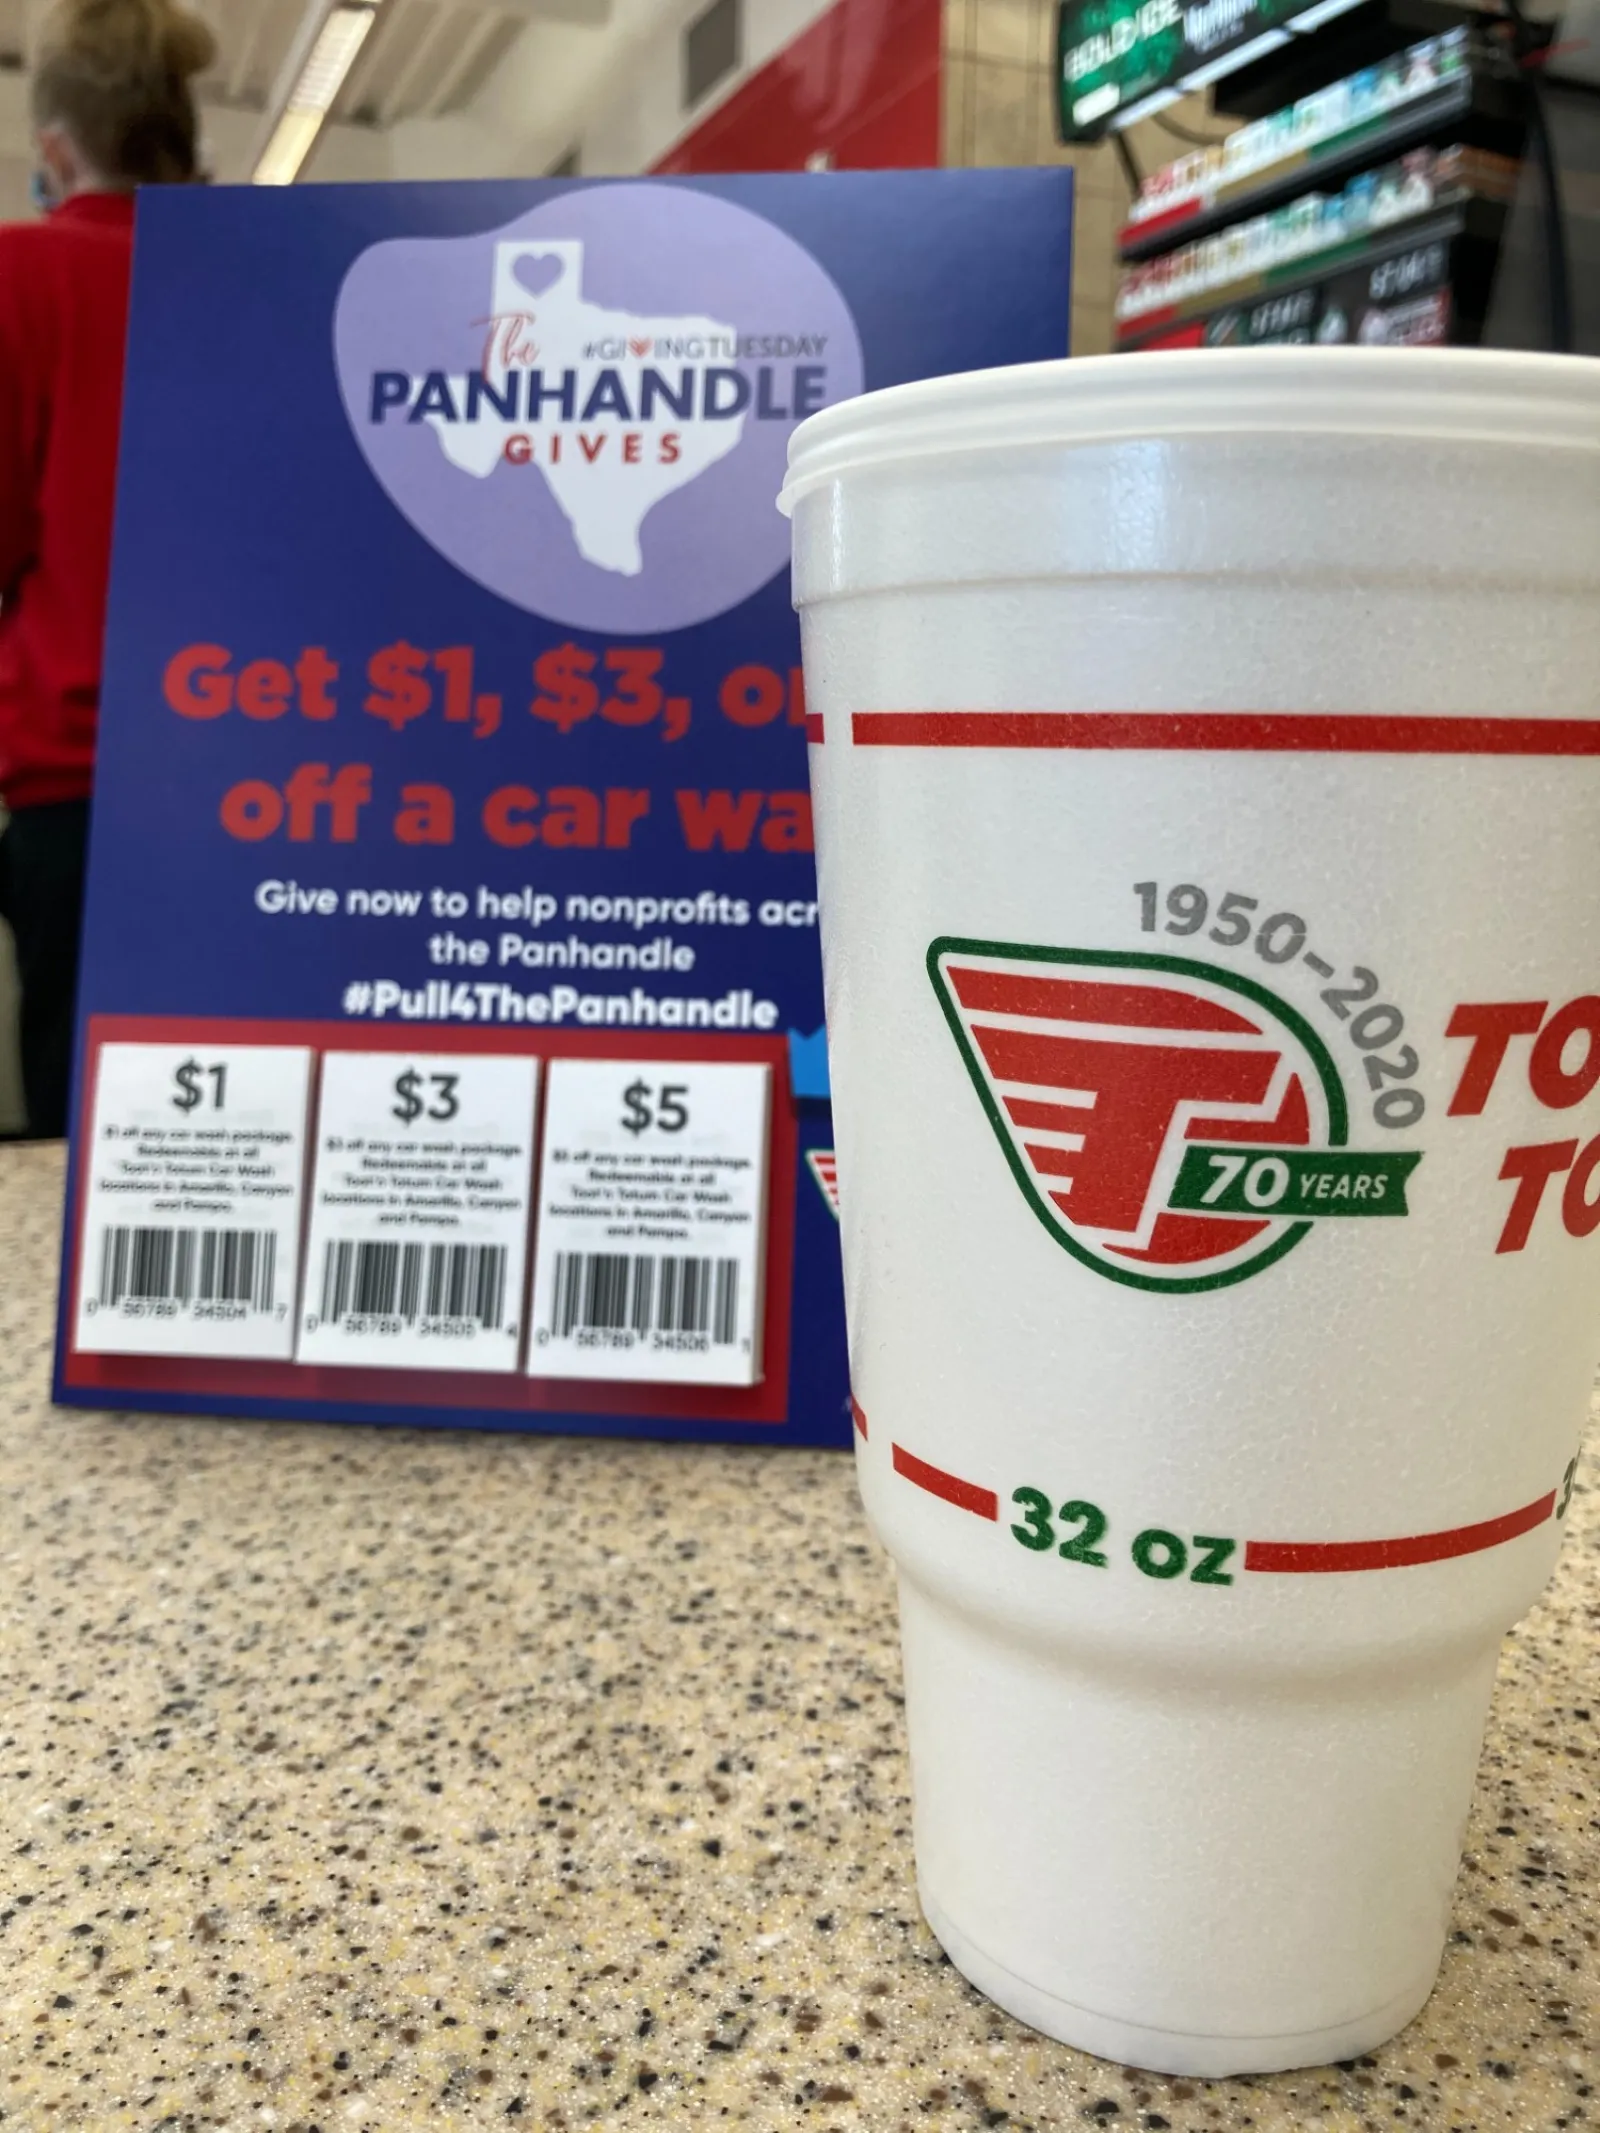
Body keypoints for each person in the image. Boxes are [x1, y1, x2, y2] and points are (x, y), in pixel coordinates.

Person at [0, 0, 214, 1138]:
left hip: (74, 772)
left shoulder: (17, 279)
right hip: (272, 771)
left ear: (54, 147)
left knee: (83, 1110)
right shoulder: (262, 278)